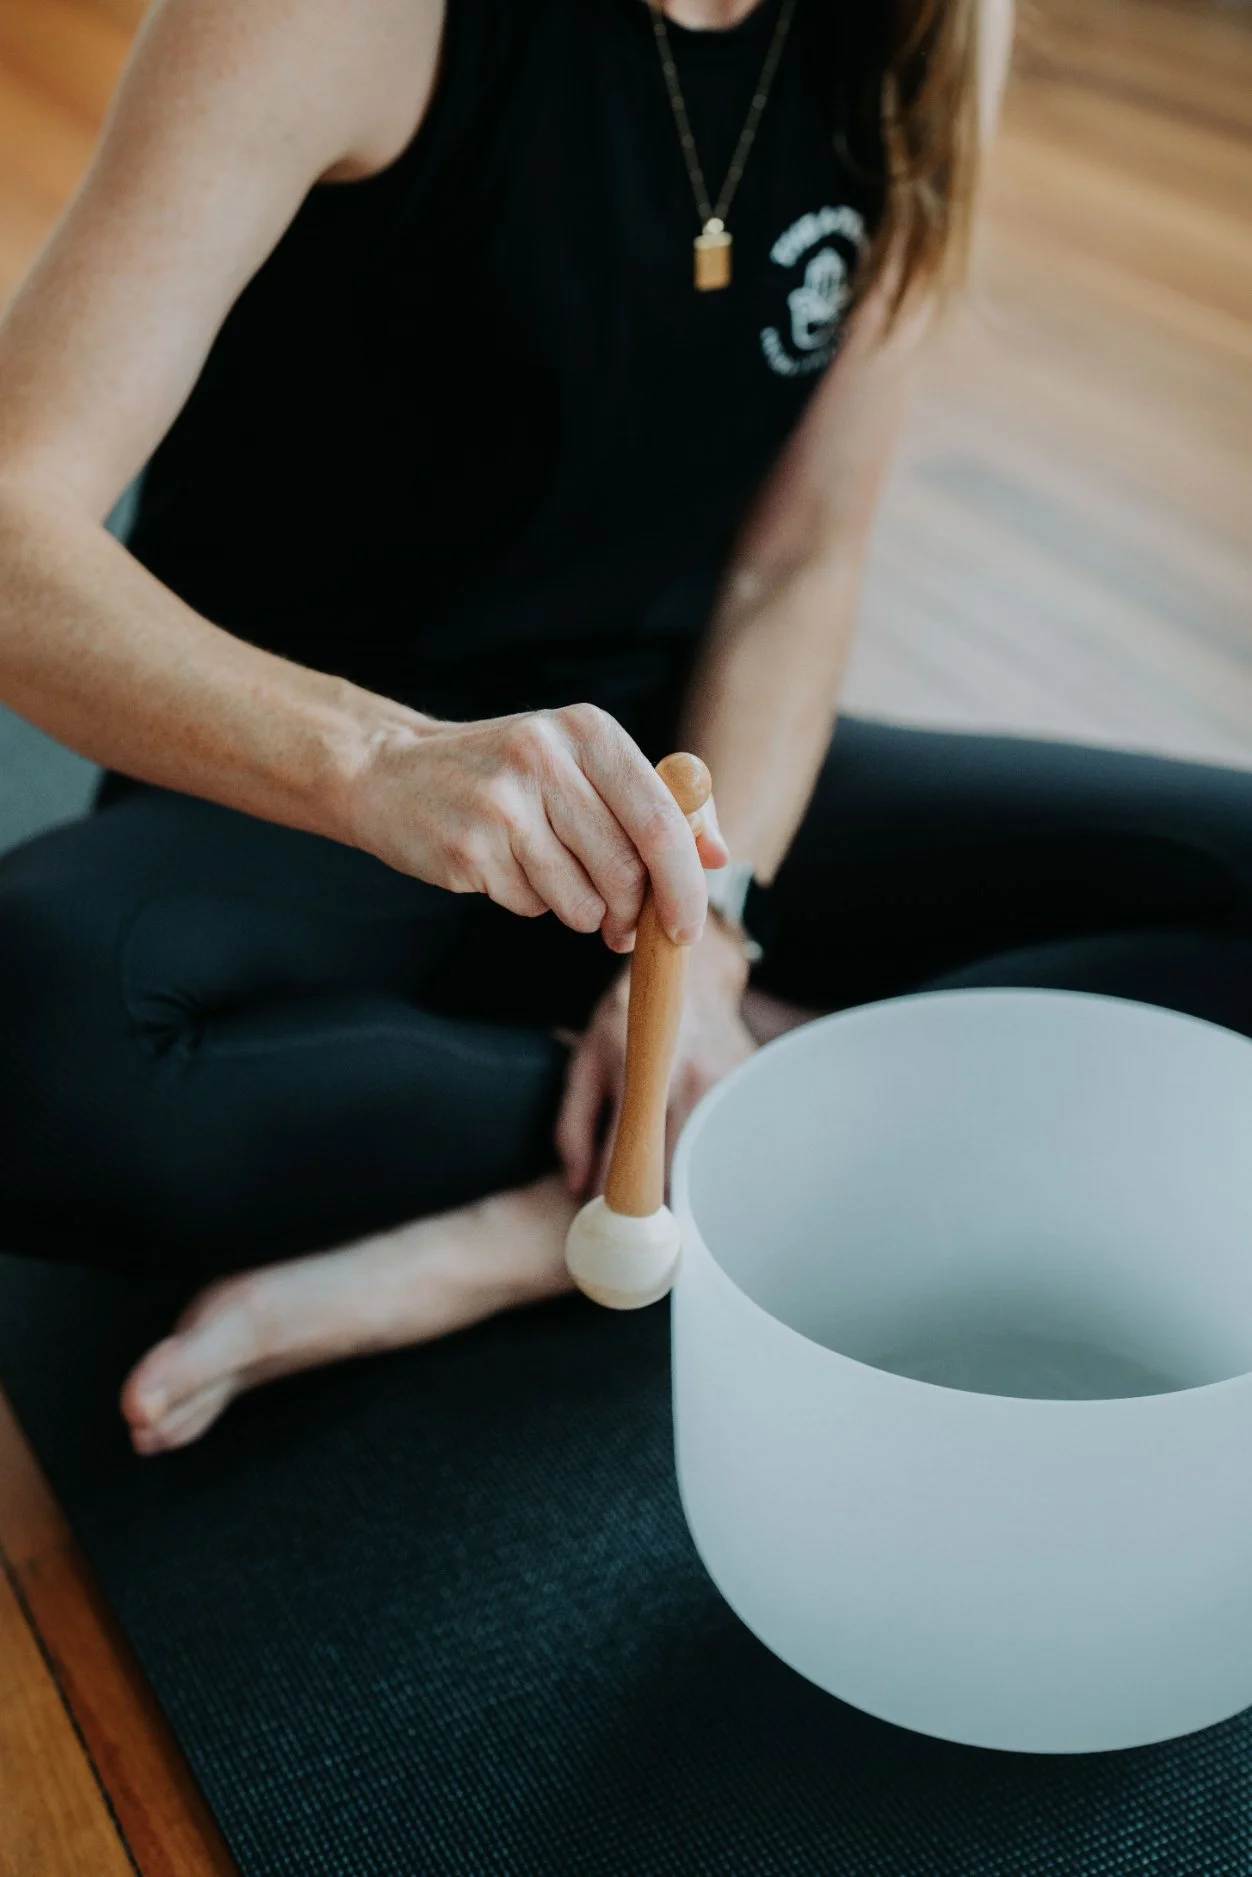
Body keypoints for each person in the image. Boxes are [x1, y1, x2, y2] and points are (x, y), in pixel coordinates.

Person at [2, 0, 1250, 1458]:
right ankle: (727, 1137)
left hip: (678, 788)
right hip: (315, 792)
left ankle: (547, 1223)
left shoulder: (928, 23)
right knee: (34, 1027)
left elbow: (795, 565)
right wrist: (378, 763)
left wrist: (714, 939)